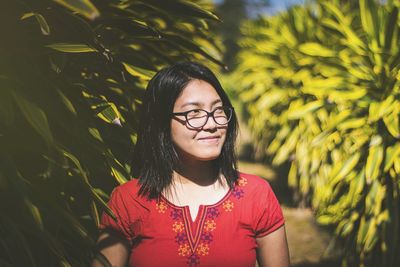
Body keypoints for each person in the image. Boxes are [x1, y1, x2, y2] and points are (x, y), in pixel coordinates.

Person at [92, 62, 289, 267]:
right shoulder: (128, 201)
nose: (212, 124)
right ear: (161, 122)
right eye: (193, 113)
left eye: (218, 110)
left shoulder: (256, 195)